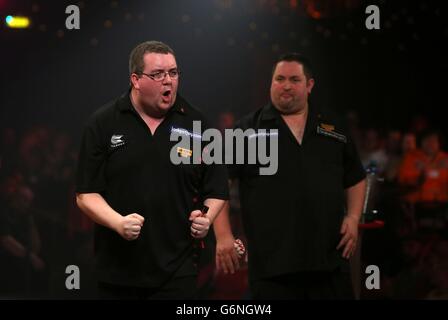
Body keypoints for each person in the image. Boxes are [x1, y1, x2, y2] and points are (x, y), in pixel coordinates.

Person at [75, 41, 228, 299]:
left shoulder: (198, 123)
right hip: (117, 271)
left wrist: (207, 219)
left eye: (173, 73)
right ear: (136, 79)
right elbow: (85, 194)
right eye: (158, 74)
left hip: (178, 272)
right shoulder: (103, 123)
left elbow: (217, 188)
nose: (168, 81)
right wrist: (118, 222)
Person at [214, 53, 366, 299]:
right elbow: (217, 184)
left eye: (294, 79)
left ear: (309, 85)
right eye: (279, 79)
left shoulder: (333, 128)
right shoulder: (247, 130)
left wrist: (353, 216)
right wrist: (223, 236)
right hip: (272, 269)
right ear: (271, 83)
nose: (286, 85)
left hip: (330, 263)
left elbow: (356, 177)